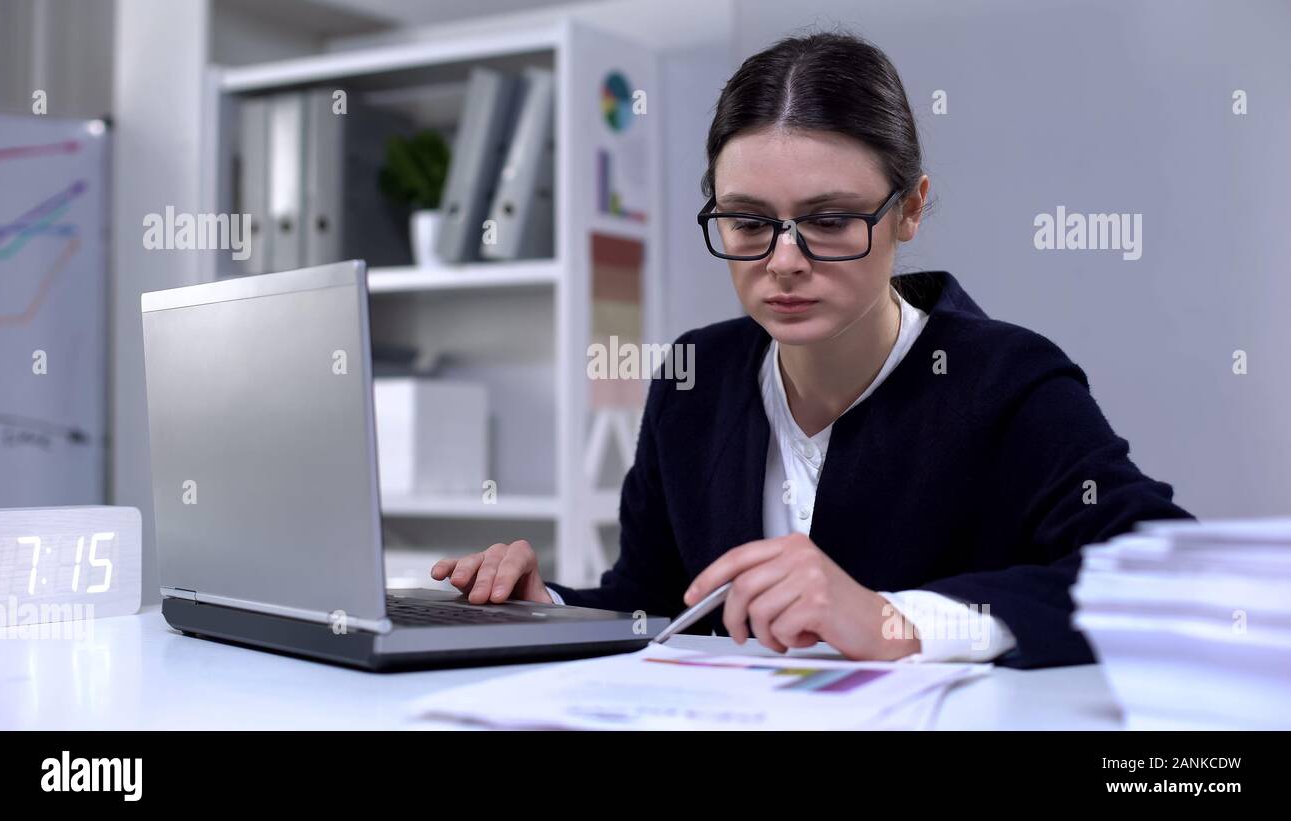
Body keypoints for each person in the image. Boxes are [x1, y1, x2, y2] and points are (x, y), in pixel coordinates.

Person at [431, 30, 1194, 668]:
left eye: (829, 220)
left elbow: (1168, 572)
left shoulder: (1009, 382)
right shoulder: (695, 381)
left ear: (911, 210)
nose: (784, 260)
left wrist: (894, 621)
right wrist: (550, 607)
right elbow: (660, 597)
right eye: (747, 221)